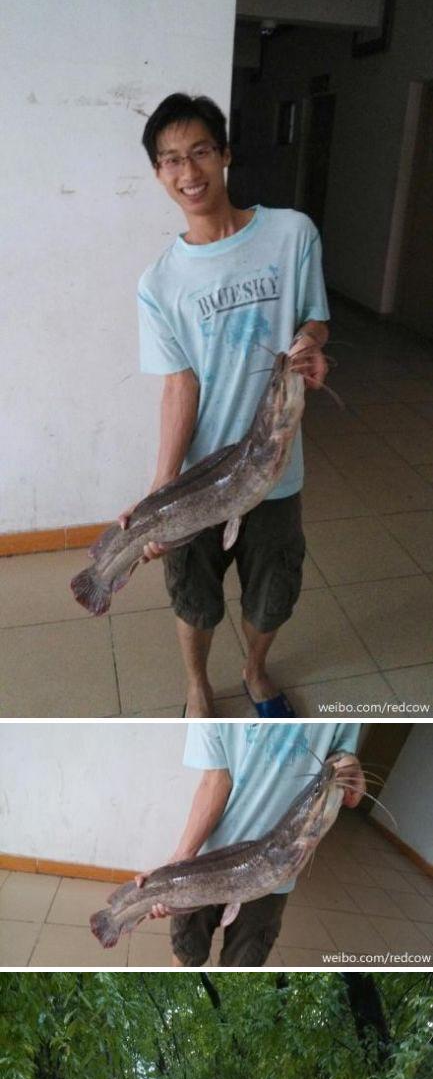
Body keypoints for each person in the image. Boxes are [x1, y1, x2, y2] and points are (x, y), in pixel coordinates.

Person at [122, 91, 330, 719]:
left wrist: (311, 347)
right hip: (200, 479)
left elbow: (314, 322)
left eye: (201, 153)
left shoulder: (292, 233)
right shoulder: (160, 282)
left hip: (275, 471)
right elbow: (179, 386)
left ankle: (255, 670)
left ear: (226, 154)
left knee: (273, 592)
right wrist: (161, 491)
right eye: (172, 161)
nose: (189, 173)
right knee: (193, 594)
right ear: (159, 173)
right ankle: (196, 684)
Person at [135, 718, 366, 969]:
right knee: (186, 949)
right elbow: (215, 780)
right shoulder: (209, 707)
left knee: (242, 964)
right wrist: (180, 860)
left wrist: (348, 765)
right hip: (206, 863)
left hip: (271, 881)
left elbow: (340, 756)